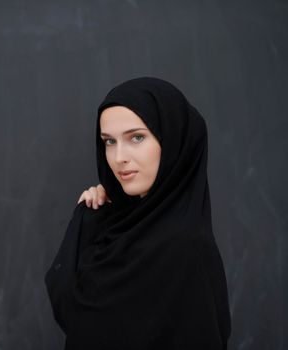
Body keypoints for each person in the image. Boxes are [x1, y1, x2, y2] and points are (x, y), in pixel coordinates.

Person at [44, 77, 231, 349]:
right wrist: (89, 220)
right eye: (109, 142)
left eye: (137, 137)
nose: (119, 157)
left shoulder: (186, 248)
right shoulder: (115, 229)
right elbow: (70, 308)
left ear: (172, 141)